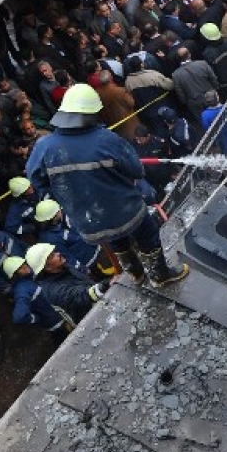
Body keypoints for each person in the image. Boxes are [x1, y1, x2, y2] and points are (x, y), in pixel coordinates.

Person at [27, 84, 190, 287]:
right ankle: (160, 276)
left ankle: (136, 274)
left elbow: (36, 181)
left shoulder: (43, 147)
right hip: (124, 209)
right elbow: (137, 171)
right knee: (147, 234)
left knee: (114, 238)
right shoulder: (106, 139)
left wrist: (67, 196)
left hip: (89, 220)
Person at [26, 244, 111, 323]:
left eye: (54, 252)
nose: (58, 253)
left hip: (101, 304)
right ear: (46, 267)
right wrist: (107, 283)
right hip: (94, 319)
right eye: (52, 256)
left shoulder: (63, 268)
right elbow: (85, 295)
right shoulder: (54, 290)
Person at [0, 256, 69, 339]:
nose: (25, 267)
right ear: (15, 274)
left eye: (23, 264)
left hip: (62, 317)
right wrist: (36, 318)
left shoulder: (29, 278)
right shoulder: (22, 290)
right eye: (20, 268)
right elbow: (19, 317)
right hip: (58, 325)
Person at [34, 199, 101, 276]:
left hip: (98, 250)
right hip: (89, 263)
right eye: (58, 210)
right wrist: (84, 270)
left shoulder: (66, 216)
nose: (61, 210)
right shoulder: (50, 238)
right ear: (54, 216)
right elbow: (67, 258)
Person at [171, 47, 221, 120]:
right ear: (189, 55)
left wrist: (186, 102)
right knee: (219, 115)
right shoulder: (202, 64)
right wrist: (216, 88)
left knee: (203, 120)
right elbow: (213, 78)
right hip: (211, 95)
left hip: (194, 102)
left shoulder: (175, 75)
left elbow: (180, 93)